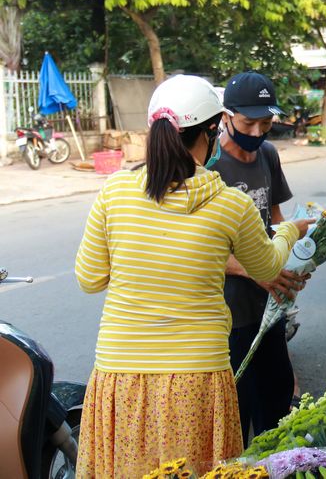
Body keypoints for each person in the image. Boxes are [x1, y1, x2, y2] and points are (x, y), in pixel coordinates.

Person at [74, 75, 311, 478]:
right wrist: (292, 230)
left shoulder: (114, 192)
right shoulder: (228, 205)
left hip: (120, 372)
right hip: (197, 374)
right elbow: (269, 267)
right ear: (210, 133)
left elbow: (90, 279)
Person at [211, 71, 307, 445]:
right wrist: (256, 272)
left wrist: (292, 262)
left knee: (278, 400)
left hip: (269, 305)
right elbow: (202, 251)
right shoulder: (210, 166)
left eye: (265, 123)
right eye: (248, 122)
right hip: (229, 312)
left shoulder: (268, 154)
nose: (256, 132)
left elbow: (276, 220)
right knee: (239, 412)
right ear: (226, 117)